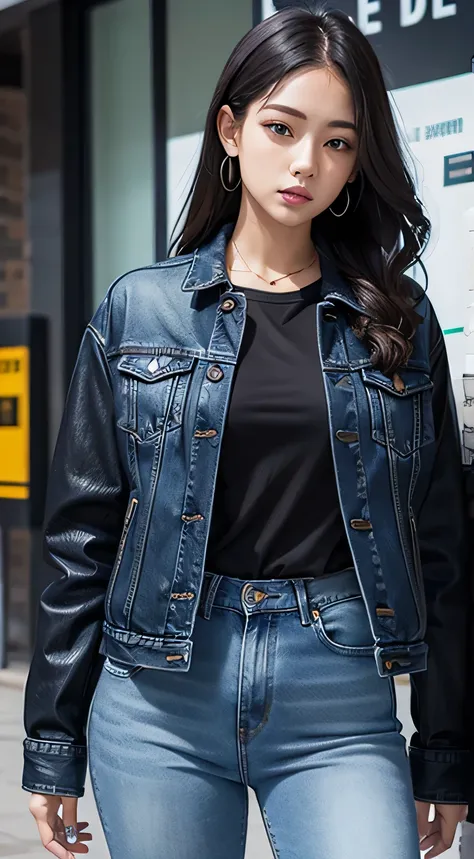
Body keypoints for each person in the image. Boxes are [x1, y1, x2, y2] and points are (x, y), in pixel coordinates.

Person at [22, 7, 470, 859]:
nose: (307, 162)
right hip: (159, 696)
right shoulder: (138, 310)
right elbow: (79, 540)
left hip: (336, 690)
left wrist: (444, 752)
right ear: (230, 129)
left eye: (339, 142)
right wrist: (53, 745)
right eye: (281, 127)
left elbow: (443, 549)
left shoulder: (398, 323)